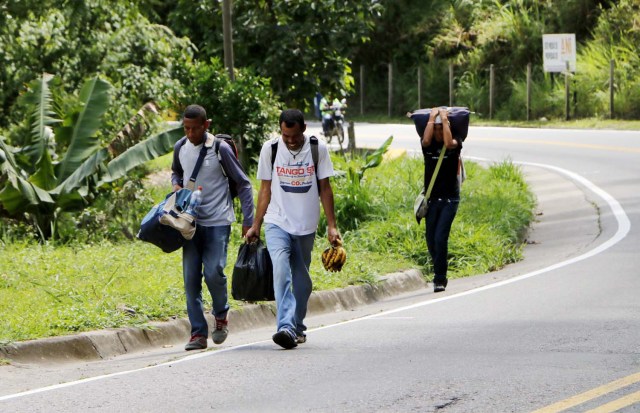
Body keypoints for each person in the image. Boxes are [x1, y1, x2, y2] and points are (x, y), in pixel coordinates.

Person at [245, 109, 341, 349]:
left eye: (295, 136)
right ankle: (285, 326)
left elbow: (325, 188)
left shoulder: (317, 149)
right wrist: (256, 224)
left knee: (302, 281)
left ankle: (297, 326)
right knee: (280, 270)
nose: (290, 141)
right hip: (276, 221)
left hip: (306, 224)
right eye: (285, 136)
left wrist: (332, 225)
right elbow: (265, 189)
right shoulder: (271, 148)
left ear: (304, 129)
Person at [171, 104, 254, 350]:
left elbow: (244, 183)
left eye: (195, 129)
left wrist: (248, 221)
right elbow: (176, 172)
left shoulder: (220, 149)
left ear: (206, 125)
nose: (190, 134)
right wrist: (176, 184)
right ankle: (197, 333)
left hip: (218, 221)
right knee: (190, 279)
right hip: (189, 222)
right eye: (186, 128)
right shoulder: (180, 147)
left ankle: (221, 314)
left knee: (214, 271)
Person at [420, 107, 461, 293]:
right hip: (433, 199)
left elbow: (448, 142)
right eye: (435, 129)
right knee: (430, 239)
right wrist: (431, 118)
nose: (437, 133)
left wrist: (444, 120)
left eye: (440, 129)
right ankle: (440, 266)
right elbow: (425, 140)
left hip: (450, 199)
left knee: (440, 238)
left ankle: (439, 278)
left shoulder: (455, 144)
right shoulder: (428, 148)